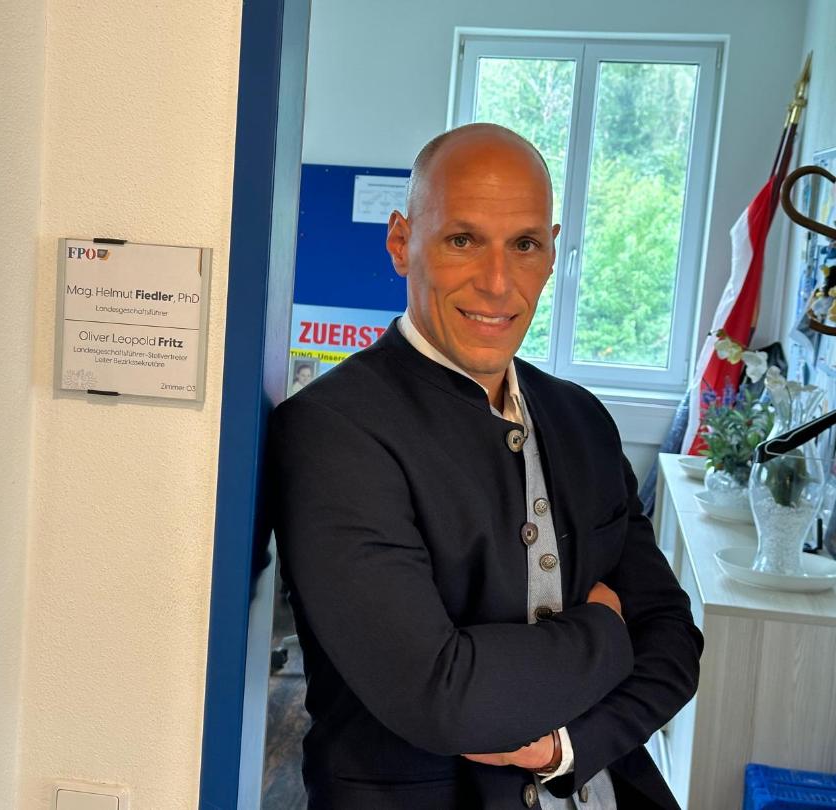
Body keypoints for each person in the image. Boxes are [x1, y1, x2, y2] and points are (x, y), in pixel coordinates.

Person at [267, 123, 702, 809]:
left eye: (524, 245)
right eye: (463, 240)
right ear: (401, 243)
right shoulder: (332, 429)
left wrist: (567, 748)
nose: (498, 284)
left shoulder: (582, 419)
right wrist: (607, 631)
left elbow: (674, 640)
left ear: (551, 253)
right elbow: (443, 698)